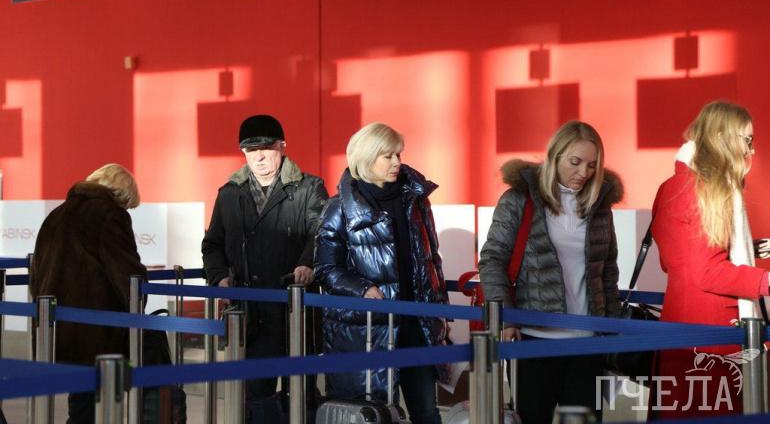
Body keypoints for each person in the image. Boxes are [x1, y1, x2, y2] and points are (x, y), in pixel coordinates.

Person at [478, 121, 622, 424]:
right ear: (555, 157)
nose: (583, 172)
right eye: (575, 162)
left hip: (588, 341)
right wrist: (506, 318)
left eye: (592, 165)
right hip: (534, 337)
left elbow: (608, 270)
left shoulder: (600, 205)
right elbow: (492, 260)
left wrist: (610, 326)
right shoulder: (519, 199)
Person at [314, 122, 449, 424]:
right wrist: (361, 288)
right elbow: (326, 268)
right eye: (387, 156)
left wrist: (439, 314)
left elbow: (431, 261)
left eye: (398, 154)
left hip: (418, 327)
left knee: (427, 413)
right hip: (368, 331)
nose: (397, 162)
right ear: (366, 157)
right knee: (374, 415)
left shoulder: (416, 199)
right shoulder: (339, 208)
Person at [201, 114, 328, 417]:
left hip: (296, 311)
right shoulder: (229, 194)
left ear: (282, 146)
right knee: (255, 397)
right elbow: (213, 244)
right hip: (250, 314)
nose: (258, 156)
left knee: (301, 394)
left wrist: (307, 264)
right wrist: (219, 277)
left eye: (265, 148)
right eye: (250, 150)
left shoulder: (309, 188)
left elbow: (321, 234)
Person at [649, 101, 770, 418]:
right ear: (721, 137)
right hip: (708, 332)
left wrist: (747, 248)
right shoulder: (705, 188)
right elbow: (704, 271)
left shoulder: (676, 186)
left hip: (689, 323)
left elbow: (680, 259)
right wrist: (765, 280)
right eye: (747, 139)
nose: (752, 150)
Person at [30, 163, 147, 424]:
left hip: (58, 325)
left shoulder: (58, 213)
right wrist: (140, 297)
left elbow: (37, 272)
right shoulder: (110, 215)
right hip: (96, 328)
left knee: (81, 402)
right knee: (93, 406)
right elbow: (127, 272)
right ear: (122, 194)